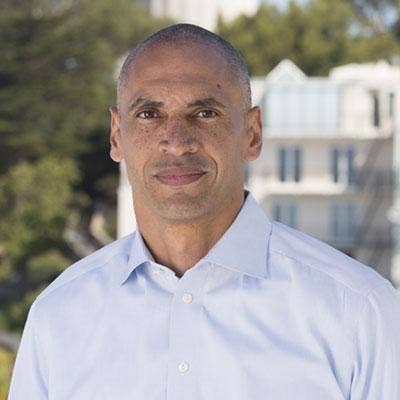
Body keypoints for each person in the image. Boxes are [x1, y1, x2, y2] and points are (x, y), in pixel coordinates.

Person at [8, 23, 400, 400]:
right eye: (149, 114)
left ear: (252, 134)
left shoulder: (359, 311)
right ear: (117, 135)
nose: (177, 143)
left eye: (205, 113)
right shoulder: (59, 316)